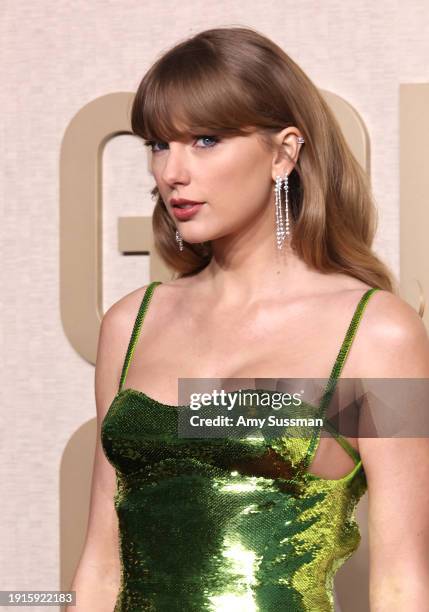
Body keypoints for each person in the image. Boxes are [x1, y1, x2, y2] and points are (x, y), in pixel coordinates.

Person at [68, 26, 429, 612]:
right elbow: (98, 568)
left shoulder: (379, 335)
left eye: (205, 139)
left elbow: (401, 583)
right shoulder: (130, 324)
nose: (172, 173)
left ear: (284, 152)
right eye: (159, 144)